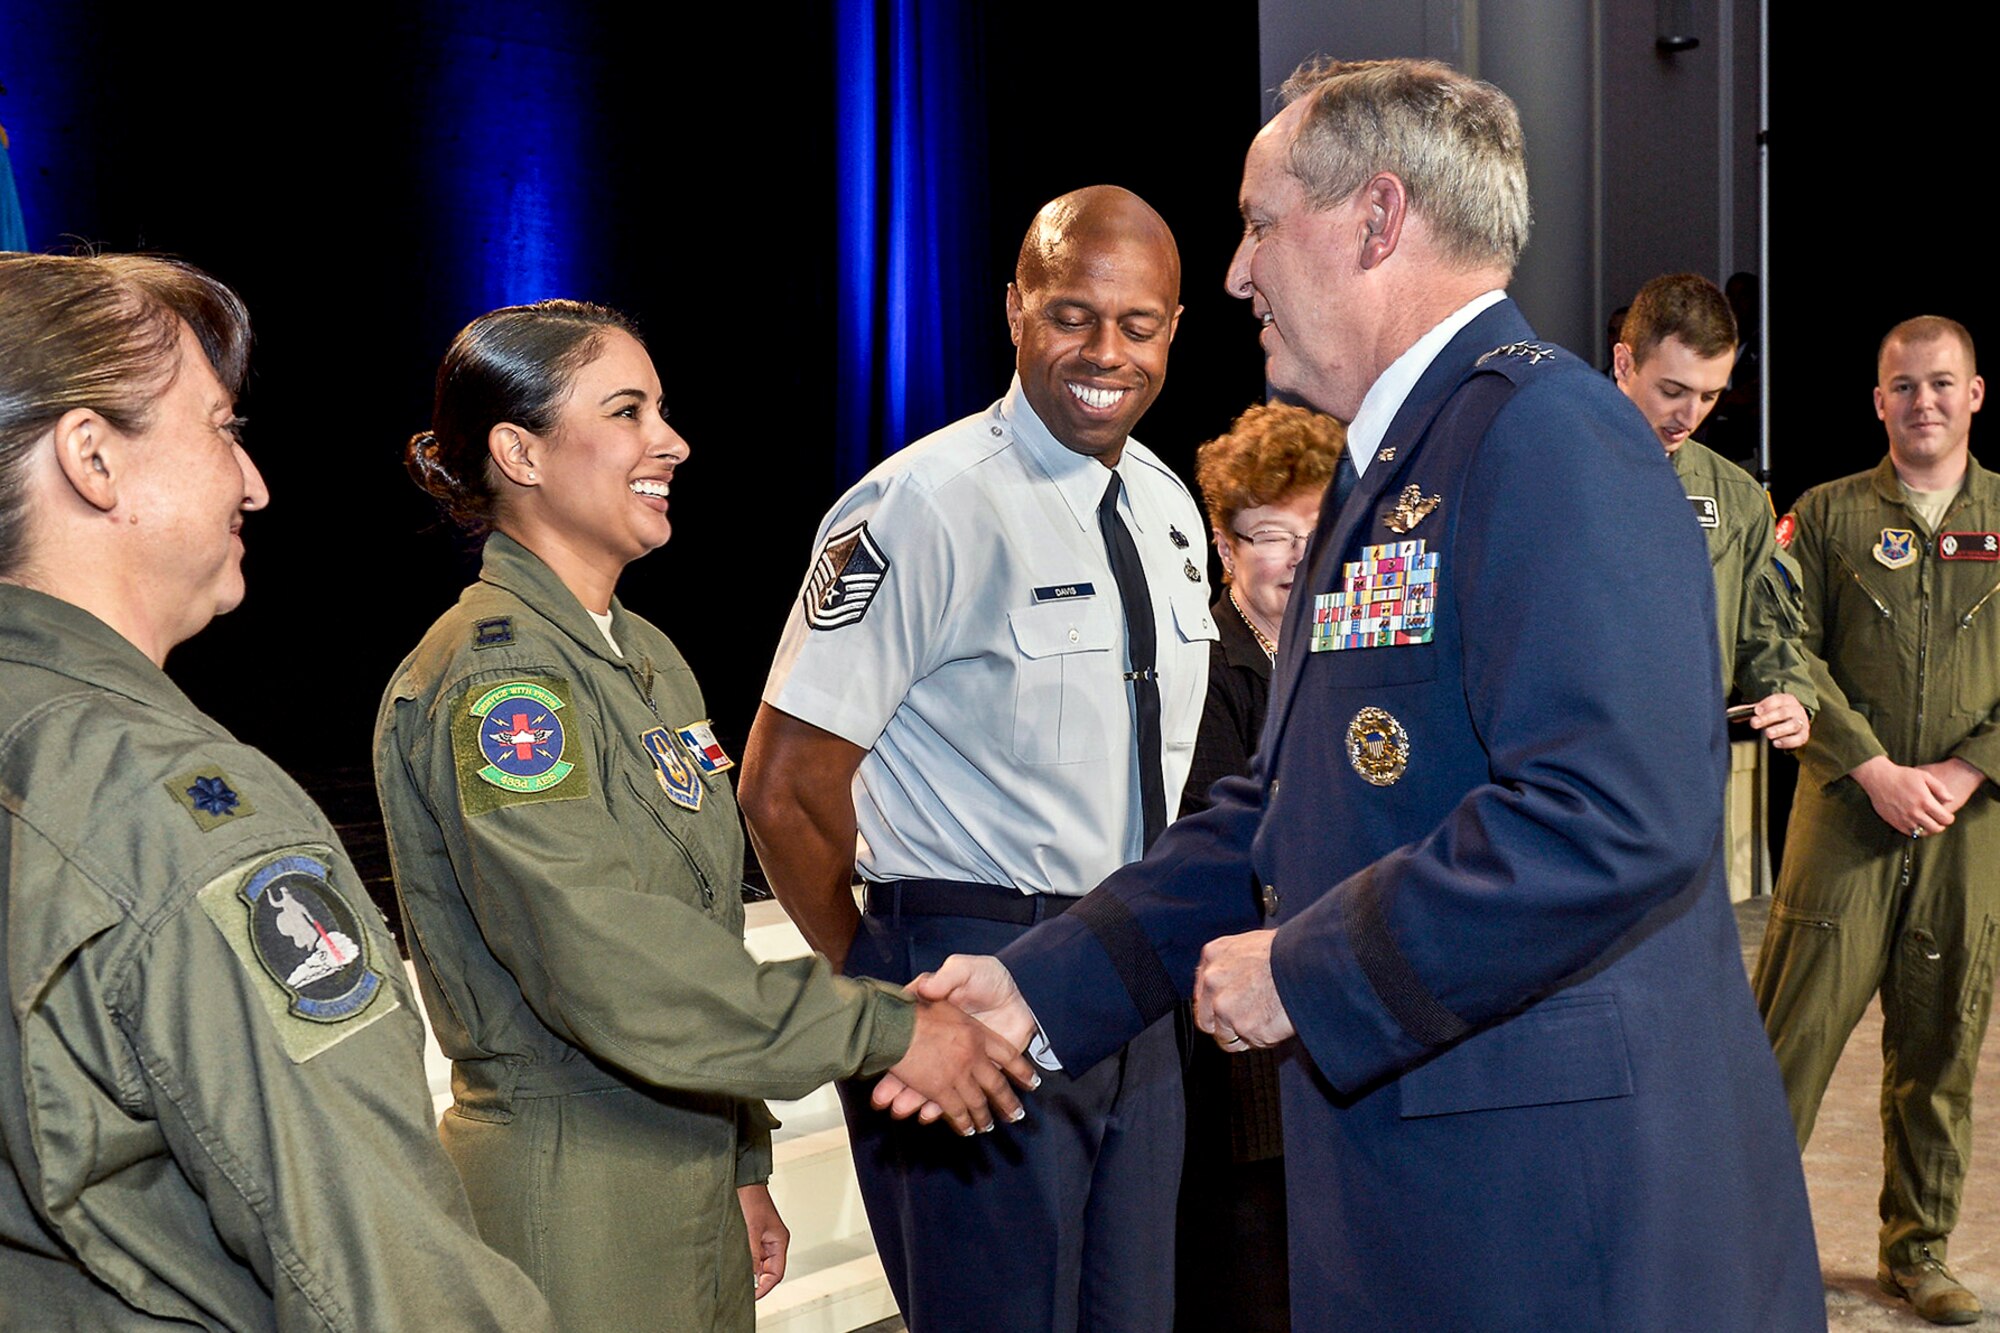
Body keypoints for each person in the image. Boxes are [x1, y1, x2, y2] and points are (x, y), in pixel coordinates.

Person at [899, 58, 1825, 1330]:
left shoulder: (1547, 434)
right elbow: (1282, 810)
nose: (1235, 272)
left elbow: (1610, 813)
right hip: (1441, 1196)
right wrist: (1038, 987)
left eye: (1259, 222)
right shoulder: (1394, 465)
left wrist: (1308, 971)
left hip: (1561, 1223)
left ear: (1375, 220)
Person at [370, 301, 1034, 1332]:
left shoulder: (644, 660)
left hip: (683, 1175)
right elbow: (603, 953)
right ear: (519, 451)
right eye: (627, 411)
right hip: (575, 1194)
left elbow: (690, 921)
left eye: (662, 410)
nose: (670, 442)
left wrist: (737, 1152)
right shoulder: (500, 682)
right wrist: (882, 1027)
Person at [0, 252, 556, 1329]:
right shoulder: (171, 812)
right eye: (218, 427)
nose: (253, 482)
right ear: (92, 459)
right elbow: (385, 1279)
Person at [739, 184, 1210, 1332]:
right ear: (1012, 309)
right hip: (966, 970)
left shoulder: (1166, 506)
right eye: (1070, 314)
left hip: (1128, 978)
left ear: (1174, 330)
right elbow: (782, 787)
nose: (1105, 351)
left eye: (1136, 324)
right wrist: (885, 976)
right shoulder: (919, 505)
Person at [1753, 315, 1996, 1326]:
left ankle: (1918, 1252)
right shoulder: (1824, 514)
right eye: (1902, 386)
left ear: (1973, 394)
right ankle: (1740, 1242)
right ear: (1876, 399)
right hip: (1844, 815)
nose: (1922, 402)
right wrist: (1872, 766)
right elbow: (1782, 647)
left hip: (1963, 825)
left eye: (1941, 384)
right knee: (1786, 1039)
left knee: (1940, 1045)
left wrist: (1960, 769)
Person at [1175, 401, 1341, 1333]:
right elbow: (1219, 852)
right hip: (1241, 1067)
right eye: (1269, 535)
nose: (1292, 558)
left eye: (1313, 533)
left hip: (1335, 1031)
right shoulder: (1201, 664)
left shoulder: (1351, 655)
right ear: (1223, 540)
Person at [1613, 272, 1813, 749]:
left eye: (1709, 396)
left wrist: (1791, 698)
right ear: (1624, 364)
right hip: (1568, 762)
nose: (1690, 415)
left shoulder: (1735, 495)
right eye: (1672, 390)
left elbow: (1763, 633)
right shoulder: (1550, 472)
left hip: (1688, 760)